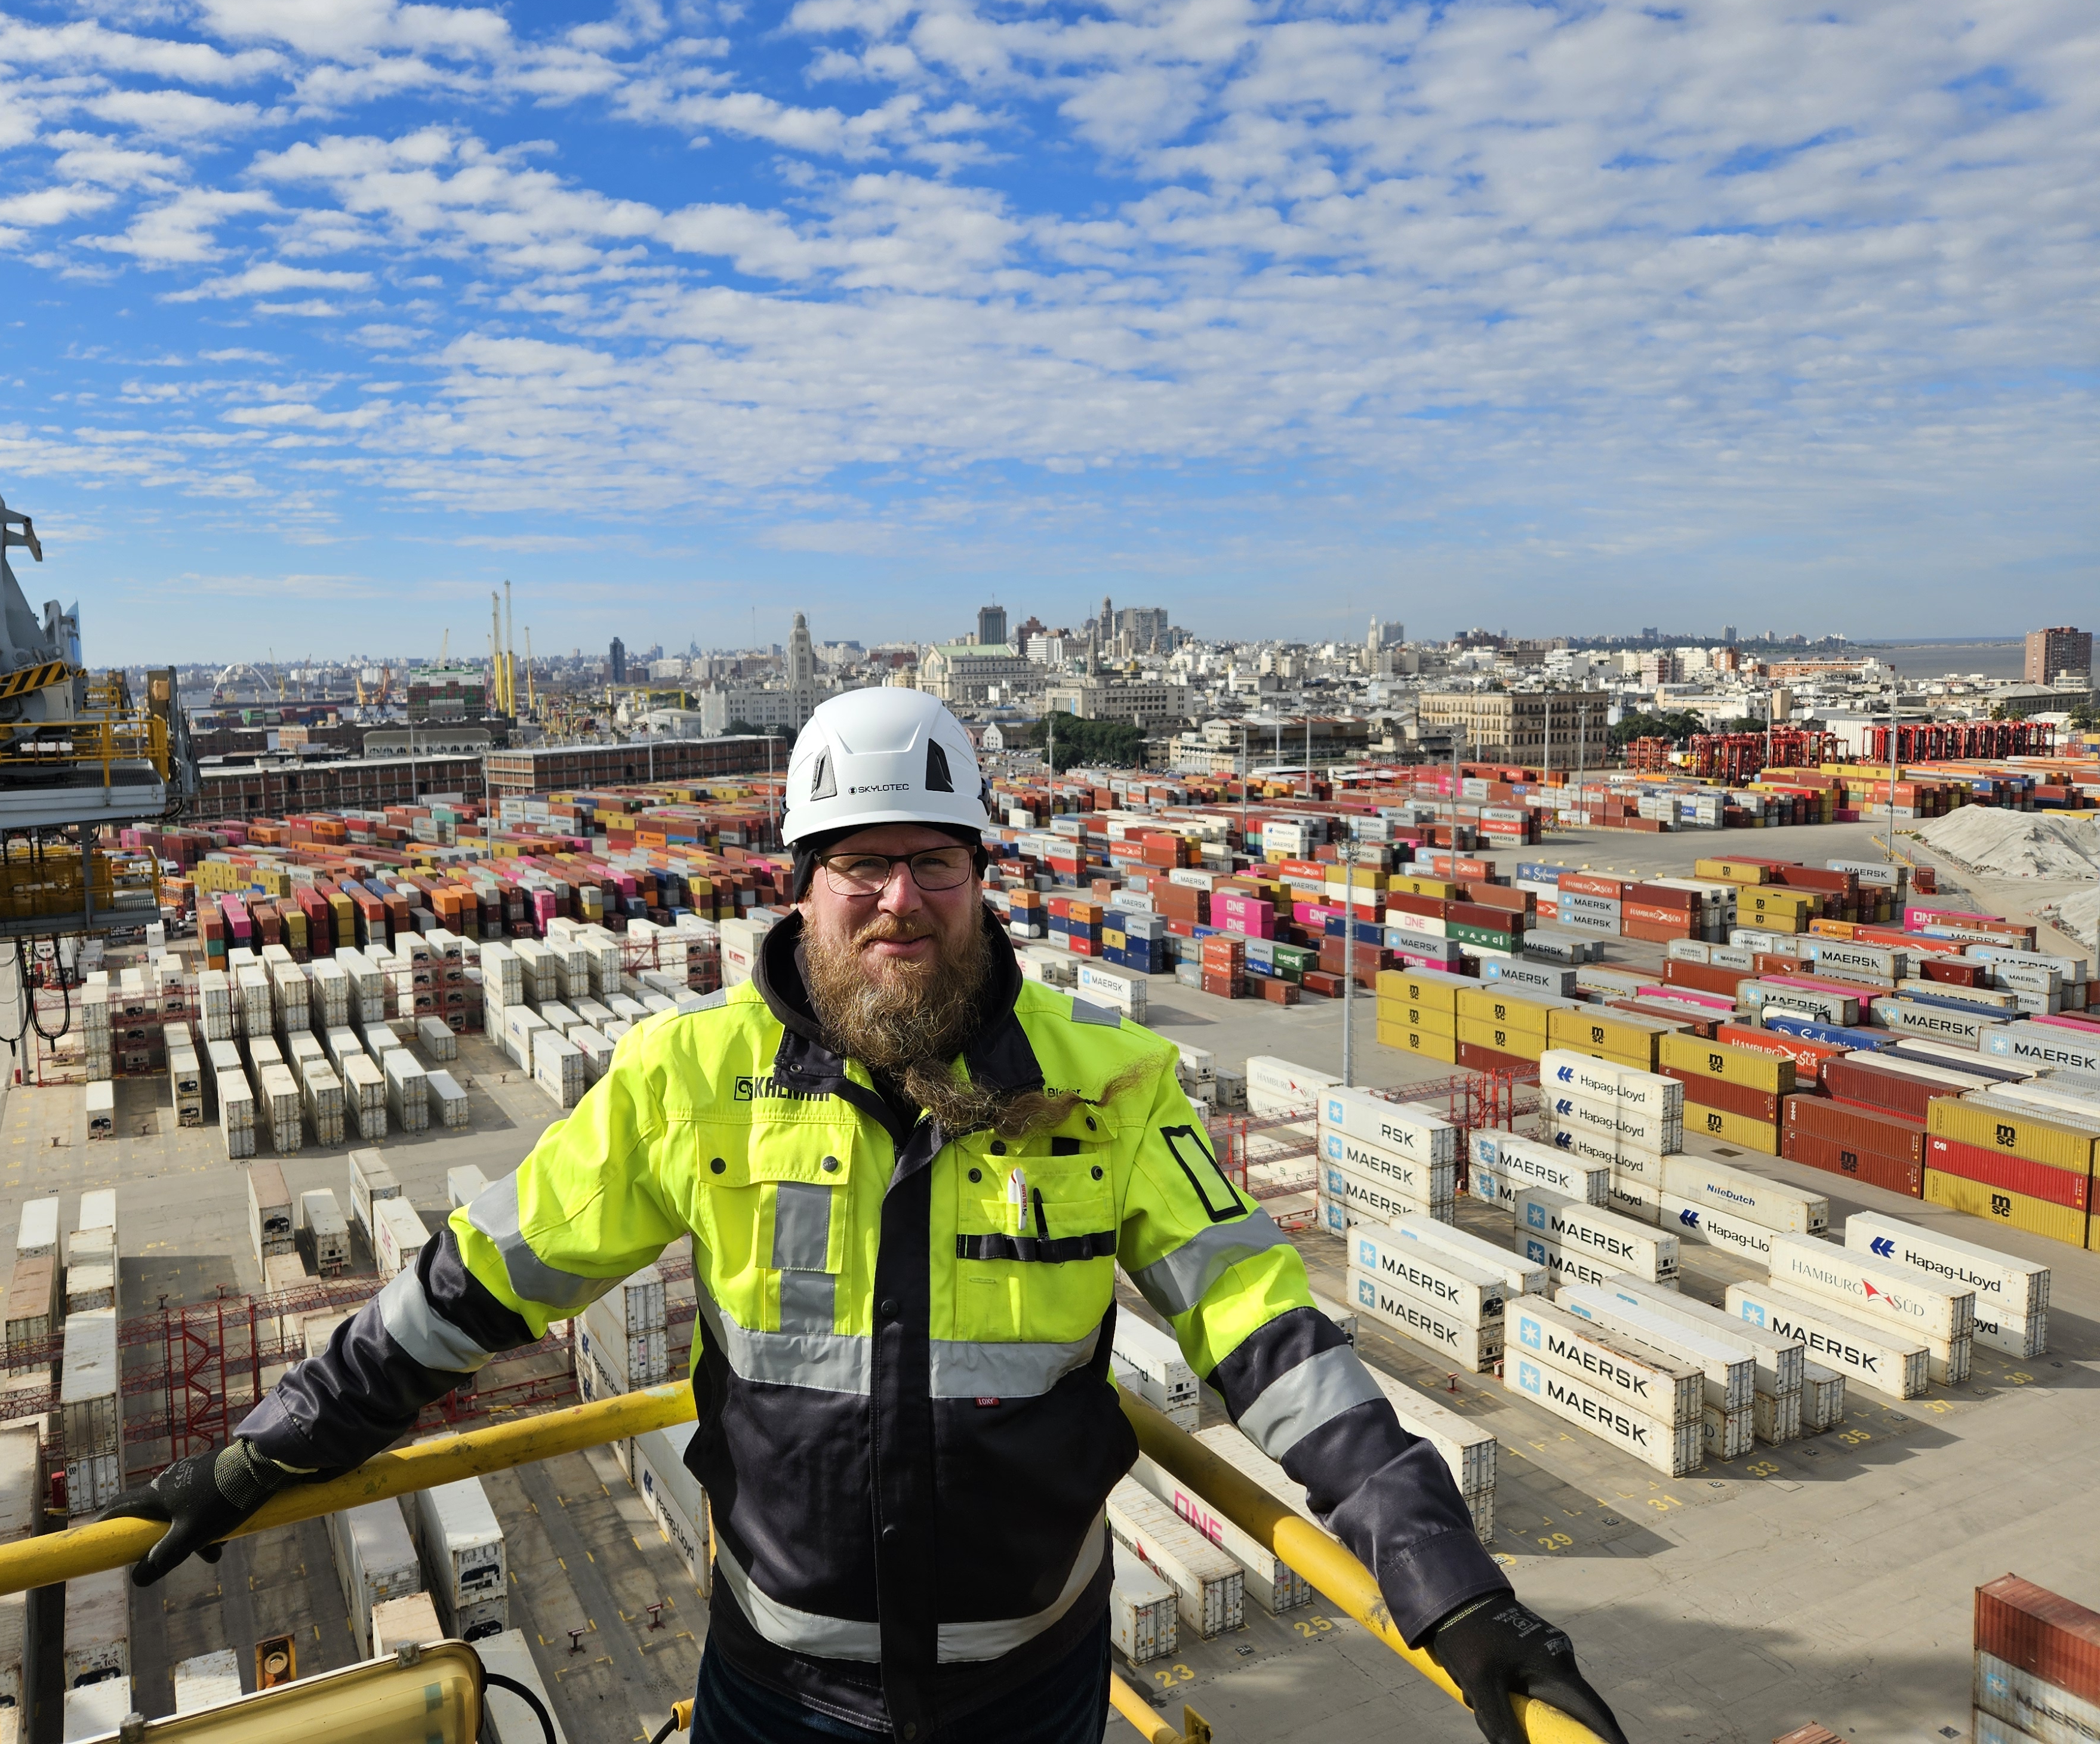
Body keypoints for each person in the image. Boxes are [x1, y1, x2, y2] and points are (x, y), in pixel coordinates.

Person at [109, 688, 1625, 1744]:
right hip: (774, 1692)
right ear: (801, 886)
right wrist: (272, 1445)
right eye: (858, 866)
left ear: (980, 882)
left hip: (1034, 1689)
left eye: (930, 863)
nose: (897, 899)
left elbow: (1272, 1344)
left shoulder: (1114, 1088)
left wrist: (1450, 1593)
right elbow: (473, 1288)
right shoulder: (685, 1082)